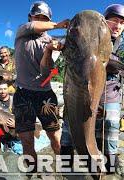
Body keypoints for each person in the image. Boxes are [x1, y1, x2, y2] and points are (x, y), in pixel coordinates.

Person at [60, 3, 124, 173]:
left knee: (110, 132)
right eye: (114, 20)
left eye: (122, 23)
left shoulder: (122, 45)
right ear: (105, 21)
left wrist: (112, 62)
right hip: (79, 95)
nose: (118, 26)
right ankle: (67, 170)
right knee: (69, 133)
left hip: (110, 97)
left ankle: (108, 170)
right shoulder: (87, 36)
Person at [13, 1, 69, 171]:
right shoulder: (22, 31)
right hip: (23, 93)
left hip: (45, 95)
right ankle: (33, 172)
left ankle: (65, 169)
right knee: (27, 140)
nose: (41, 21)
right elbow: (35, 26)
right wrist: (58, 25)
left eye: (45, 18)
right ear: (30, 17)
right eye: (38, 17)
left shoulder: (50, 41)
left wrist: (49, 51)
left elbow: (46, 72)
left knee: (55, 137)